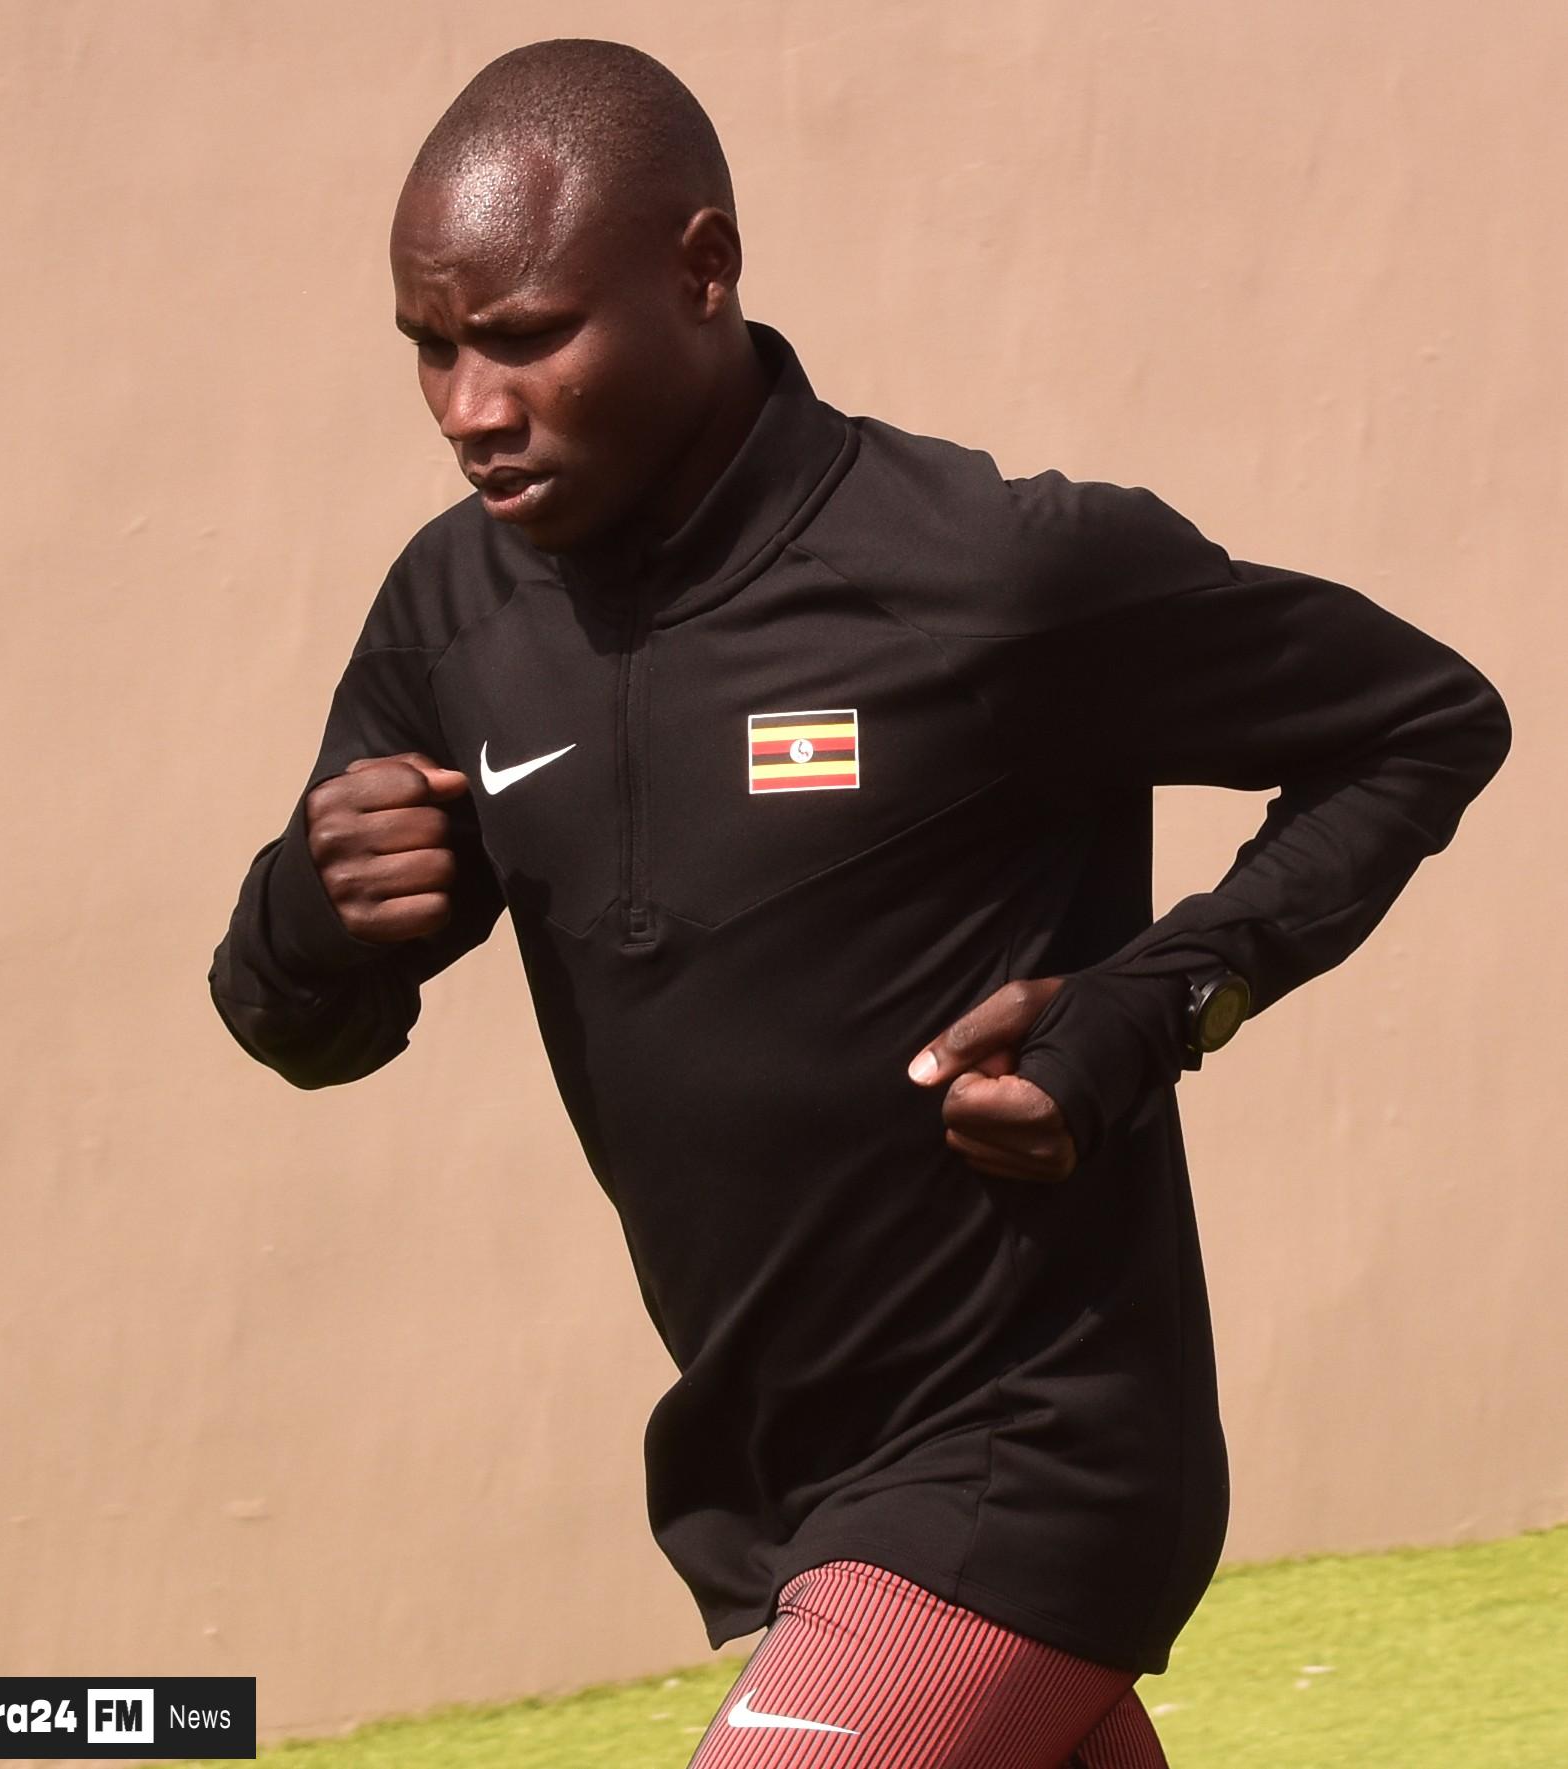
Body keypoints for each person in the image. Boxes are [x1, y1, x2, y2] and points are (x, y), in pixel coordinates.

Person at [207, 37, 1512, 1768]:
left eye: (524, 336)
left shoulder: (985, 569)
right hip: (782, 1462)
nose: (468, 405)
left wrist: (1154, 999)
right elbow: (298, 1022)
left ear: (702, 270)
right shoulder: (452, 612)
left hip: (1029, 1450)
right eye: (430, 349)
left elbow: (1421, 723)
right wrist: (312, 902)